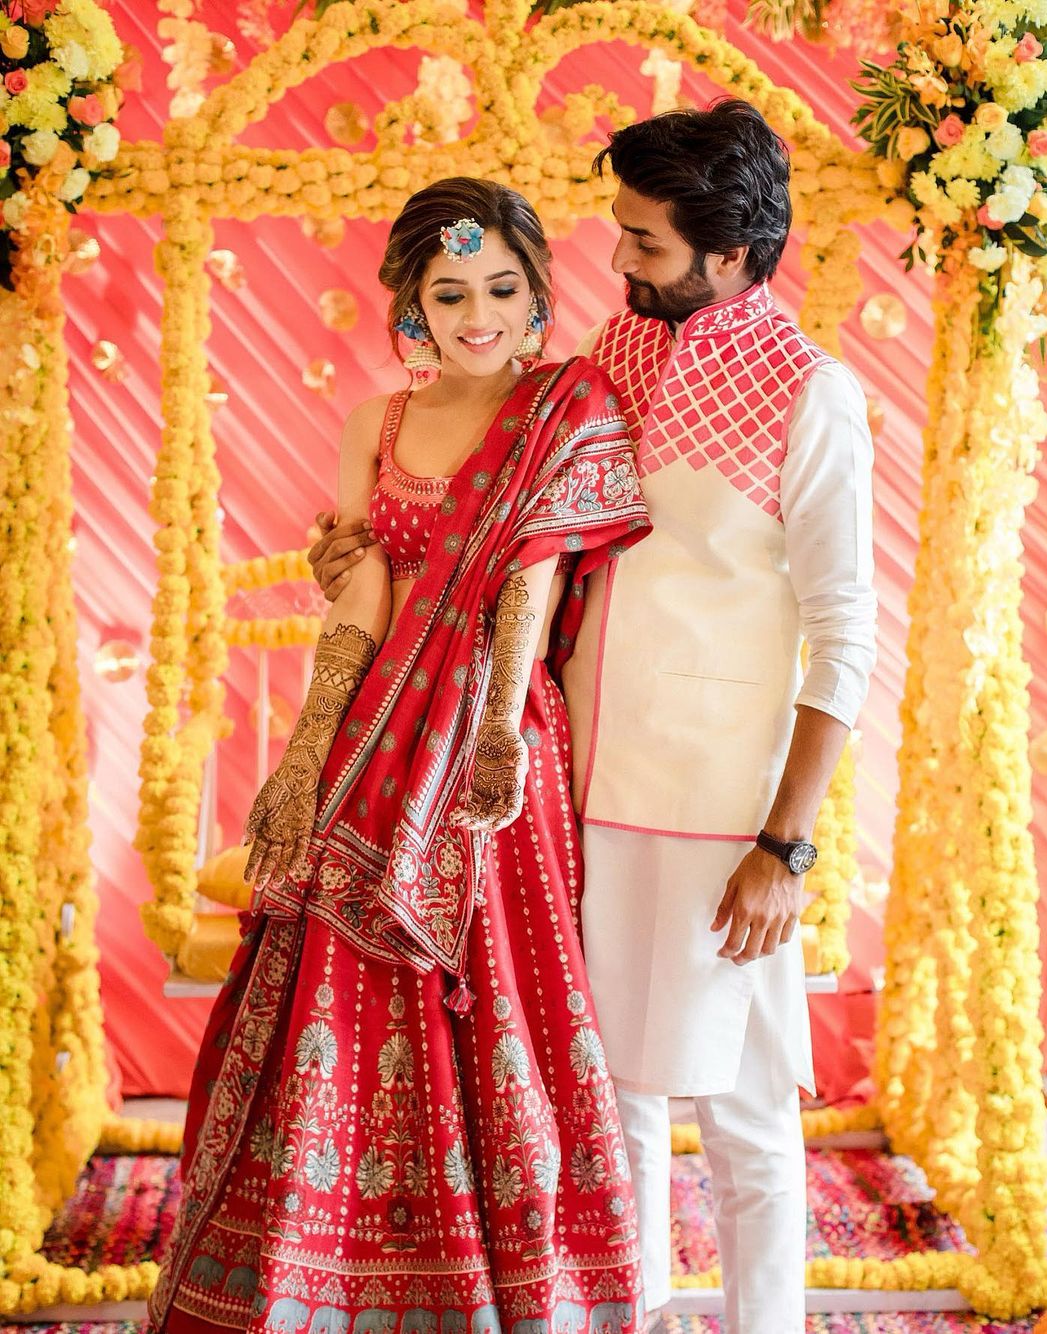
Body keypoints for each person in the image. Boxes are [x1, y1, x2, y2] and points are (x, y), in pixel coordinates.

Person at [310, 101, 877, 1334]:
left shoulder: (814, 399)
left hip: (717, 808)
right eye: (618, 234)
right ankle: (625, 1315)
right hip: (560, 788)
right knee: (602, 1093)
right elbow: (490, 518)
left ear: (729, 254)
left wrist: (784, 845)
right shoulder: (603, 365)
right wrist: (360, 545)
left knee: (742, 1110)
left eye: (646, 245)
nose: (614, 262)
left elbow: (847, 637)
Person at [149, 177, 651, 1334]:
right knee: (336, 982)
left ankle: (514, 1289)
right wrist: (305, 748)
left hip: (493, 756)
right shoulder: (375, 421)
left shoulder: (567, 410)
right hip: (374, 732)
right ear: (413, 307)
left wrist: (488, 733)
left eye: (501, 289)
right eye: (450, 291)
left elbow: (530, 577)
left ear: (536, 297)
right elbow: (363, 587)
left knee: (497, 1001)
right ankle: (312, 1274)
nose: (478, 313)